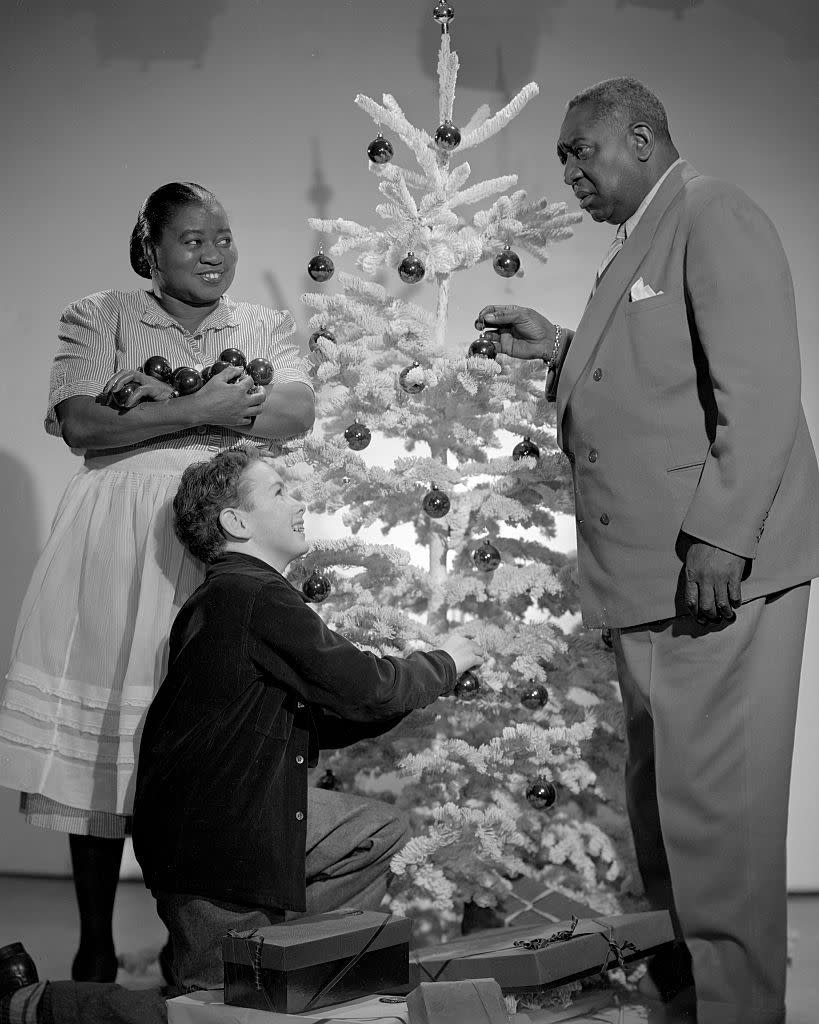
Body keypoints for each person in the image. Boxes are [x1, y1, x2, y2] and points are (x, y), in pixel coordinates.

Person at [476, 78, 819, 1024]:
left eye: (580, 152)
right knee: (667, 821)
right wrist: (557, 347)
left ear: (639, 136)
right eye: (562, 161)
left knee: (719, 827)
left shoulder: (713, 216)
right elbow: (651, 371)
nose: (570, 175)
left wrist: (720, 536)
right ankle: (686, 1005)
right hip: (646, 586)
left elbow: (758, 394)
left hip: (710, 577)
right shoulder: (638, 240)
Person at [0, 182, 316, 984]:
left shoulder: (265, 325)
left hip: (220, 537)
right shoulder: (98, 315)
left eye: (224, 238)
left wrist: (165, 399)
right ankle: (96, 941)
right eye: (192, 240)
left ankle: (197, 937)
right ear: (151, 245)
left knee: (204, 723)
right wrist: (210, 404)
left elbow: (292, 416)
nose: (213, 255)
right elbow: (82, 425)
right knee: (113, 723)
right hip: (119, 539)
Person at [131, 445, 483, 991]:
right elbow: (365, 686)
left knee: (378, 831)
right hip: (214, 845)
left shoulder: (236, 597)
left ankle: (306, 959)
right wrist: (446, 663)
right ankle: (41, 1004)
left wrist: (407, 695)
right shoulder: (252, 594)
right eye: (279, 491)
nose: (299, 500)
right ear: (236, 521)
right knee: (217, 1010)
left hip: (233, 818)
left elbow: (331, 715)